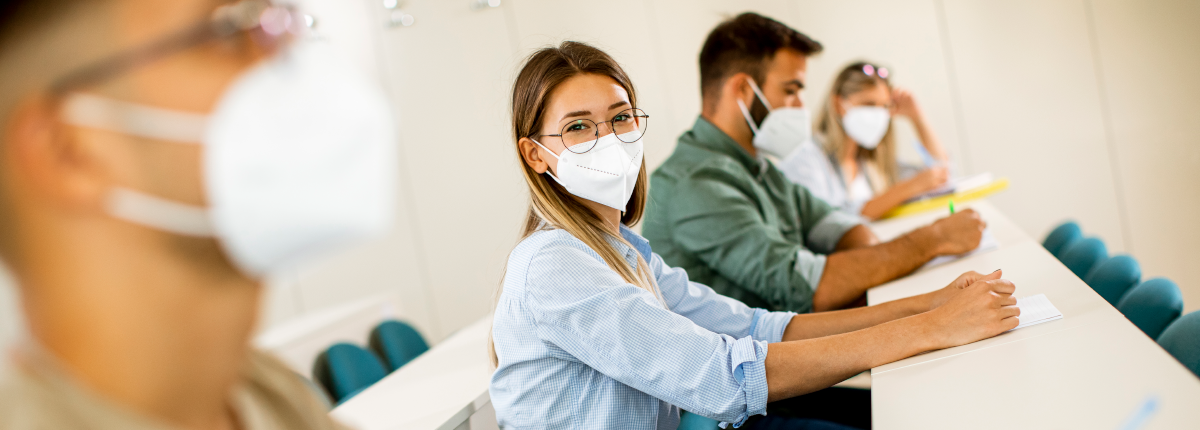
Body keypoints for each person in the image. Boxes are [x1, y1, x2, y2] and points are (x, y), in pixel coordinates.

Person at [489, 40, 1020, 430]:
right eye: (579, 126)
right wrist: (931, 329)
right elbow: (722, 377)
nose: (609, 139)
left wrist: (928, 306)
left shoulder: (624, 251)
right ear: (536, 153)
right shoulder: (553, 263)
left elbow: (761, 328)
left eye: (621, 117)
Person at [0, 0, 396, 428]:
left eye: (278, 24)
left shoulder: (266, 396)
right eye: (228, 33)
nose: (288, 64)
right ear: (68, 151)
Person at [643, 12, 985, 313]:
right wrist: (934, 239)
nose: (800, 106)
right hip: (767, 381)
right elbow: (806, 287)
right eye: (791, 90)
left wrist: (857, 267)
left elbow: (843, 226)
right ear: (743, 90)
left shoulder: (760, 166)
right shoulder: (696, 183)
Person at [775, 61, 951, 220]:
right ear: (838, 104)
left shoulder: (871, 161)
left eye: (884, 106)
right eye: (868, 104)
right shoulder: (806, 155)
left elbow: (941, 175)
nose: (878, 114)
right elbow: (826, 221)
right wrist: (905, 190)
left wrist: (917, 117)